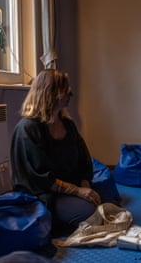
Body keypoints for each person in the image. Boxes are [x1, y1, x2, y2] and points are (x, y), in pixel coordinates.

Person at [10, 69, 101, 236]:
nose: (70, 94)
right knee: (90, 214)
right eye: (66, 90)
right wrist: (79, 192)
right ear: (50, 94)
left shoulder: (68, 124)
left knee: (103, 203)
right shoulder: (28, 129)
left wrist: (86, 187)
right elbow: (41, 178)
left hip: (71, 187)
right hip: (46, 194)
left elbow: (84, 161)